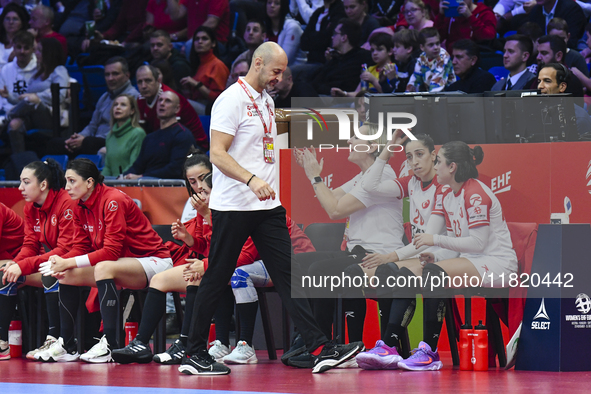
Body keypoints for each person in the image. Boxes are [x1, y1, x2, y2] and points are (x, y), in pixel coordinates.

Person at [179, 41, 364, 376]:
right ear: (258, 62)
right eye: (276, 71)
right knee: (218, 275)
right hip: (234, 206)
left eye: (282, 73)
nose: (279, 78)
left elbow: (264, 150)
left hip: (267, 206)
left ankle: (320, 348)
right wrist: (250, 180)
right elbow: (218, 154)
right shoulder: (230, 100)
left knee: (290, 275)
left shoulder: (266, 100)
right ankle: (193, 351)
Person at [36, 158, 173, 363]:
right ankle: (67, 344)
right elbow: (81, 246)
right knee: (63, 274)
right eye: (66, 181)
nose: (67, 187)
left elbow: (110, 252)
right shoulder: (78, 205)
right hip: (122, 263)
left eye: (72, 181)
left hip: (153, 260)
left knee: (102, 267)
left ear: (89, 182)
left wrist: (70, 261)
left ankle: (110, 343)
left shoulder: (113, 200)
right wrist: (62, 261)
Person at [397, 141, 517, 371]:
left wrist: (436, 241)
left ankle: (428, 352)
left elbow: (478, 244)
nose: (435, 164)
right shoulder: (448, 193)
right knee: (409, 272)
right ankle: (392, 347)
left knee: (433, 274)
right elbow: (456, 244)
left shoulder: (475, 193)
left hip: (497, 263)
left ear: (452, 167)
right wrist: (437, 254)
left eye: (438, 161)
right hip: (472, 260)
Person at [292, 123, 405, 360]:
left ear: (373, 146)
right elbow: (329, 198)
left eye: (356, 137)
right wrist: (311, 174)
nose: (350, 141)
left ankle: (323, 344)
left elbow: (334, 210)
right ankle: (307, 337)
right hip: (356, 251)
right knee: (296, 263)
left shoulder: (381, 176)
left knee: (319, 270)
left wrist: (315, 176)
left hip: (376, 255)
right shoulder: (363, 176)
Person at [353, 133, 448, 370]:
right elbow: (369, 186)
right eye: (409, 156)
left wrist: (391, 255)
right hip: (422, 253)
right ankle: (390, 347)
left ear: (433, 155)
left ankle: (429, 351)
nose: (414, 161)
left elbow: (429, 240)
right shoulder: (411, 183)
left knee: (399, 270)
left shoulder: (444, 185)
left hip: (446, 253)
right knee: (386, 271)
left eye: (420, 154)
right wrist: (389, 148)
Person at [0, 159, 89, 361]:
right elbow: (30, 244)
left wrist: (22, 265)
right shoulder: (31, 208)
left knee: (51, 273)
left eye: (25, 182)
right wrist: (16, 264)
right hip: (59, 261)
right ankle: (2, 343)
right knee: (4, 274)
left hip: (79, 261)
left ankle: (57, 340)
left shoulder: (67, 203)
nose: (20, 187)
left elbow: (65, 248)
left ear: (43, 185)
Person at [48, 56, 139, 157]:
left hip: (113, 140)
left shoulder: (133, 97)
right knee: (55, 143)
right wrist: (78, 137)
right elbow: (92, 125)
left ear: (127, 75)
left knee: (89, 143)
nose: (110, 78)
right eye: (107, 74)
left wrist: (84, 140)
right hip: (93, 140)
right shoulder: (104, 97)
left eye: (115, 74)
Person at [6, 37, 68, 155]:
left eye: (39, 50)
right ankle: (20, 163)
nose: (36, 53)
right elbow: (23, 98)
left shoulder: (59, 70)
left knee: (32, 100)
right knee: (14, 125)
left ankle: (5, 119)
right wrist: (8, 96)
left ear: (48, 53)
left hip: (49, 116)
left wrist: (35, 96)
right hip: (30, 114)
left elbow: (59, 96)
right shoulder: (36, 74)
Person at [123, 91, 195, 180]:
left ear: (177, 109)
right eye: (160, 100)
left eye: (167, 101)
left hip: (170, 188)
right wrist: (123, 176)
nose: (162, 104)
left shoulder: (183, 135)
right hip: (145, 186)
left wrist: (143, 177)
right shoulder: (149, 137)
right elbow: (138, 166)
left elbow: (175, 169)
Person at [136, 65, 208, 150]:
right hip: (165, 142)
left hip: (194, 146)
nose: (143, 86)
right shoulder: (140, 99)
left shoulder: (171, 98)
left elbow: (173, 133)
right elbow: (142, 129)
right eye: (140, 82)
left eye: (148, 81)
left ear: (158, 80)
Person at [310, 18, 372, 95]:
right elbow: (316, 82)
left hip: (340, 99)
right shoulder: (335, 59)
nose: (332, 37)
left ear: (344, 38)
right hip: (322, 95)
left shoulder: (364, 57)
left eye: (335, 33)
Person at [181, 26, 229, 115]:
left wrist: (196, 84)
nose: (200, 42)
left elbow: (219, 98)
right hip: (198, 104)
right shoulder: (198, 64)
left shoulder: (218, 65)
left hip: (212, 110)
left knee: (180, 103)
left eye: (204, 39)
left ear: (213, 43)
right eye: (197, 39)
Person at [538, 63, 591, 136]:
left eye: (547, 81)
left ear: (562, 87)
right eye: (539, 81)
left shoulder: (578, 119)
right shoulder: (535, 114)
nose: (540, 86)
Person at [0, 202, 24, 360]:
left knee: (2, 274)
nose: (21, 188)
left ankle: (2, 344)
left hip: (22, 262)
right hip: (6, 260)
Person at [101, 94, 146, 177]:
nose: (118, 107)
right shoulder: (110, 136)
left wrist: (119, 180)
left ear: (132, 111)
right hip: (113, 185)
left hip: (128, 184)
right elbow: (107, 167)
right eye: (115, 104)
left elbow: (134, 165)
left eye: (123, 105)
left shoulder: (138, 133)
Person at [406, 27, 456, 92]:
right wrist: (408, 95)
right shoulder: (422, 58)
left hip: (449, 94)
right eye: (431, 45)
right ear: (422, 47)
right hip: (432, 94)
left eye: (437, 43)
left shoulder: (443, 57)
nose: (436, 47)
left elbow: (437, 85)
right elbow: (415, 79)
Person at [0, 31, 37, 114]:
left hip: (33, 112)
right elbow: (3, 99)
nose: (22, 51)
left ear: (33, 49)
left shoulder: (39, 68)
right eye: (19, 47)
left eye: (26, 48)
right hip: (9, 111)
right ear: (13, 48)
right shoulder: (6, 69)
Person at [300, 0, 347, 64]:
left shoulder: (340, 11)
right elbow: (303, 42)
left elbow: (328, 39)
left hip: (325, 62)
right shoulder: (318, 13)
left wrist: (312, 37)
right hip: (311, 60)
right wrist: (321, 36)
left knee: (292, 71)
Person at [266, 0, 306, 66]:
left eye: (276, 3)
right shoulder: (266, 26)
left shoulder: (292, 27)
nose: (272, 6)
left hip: (294, 70)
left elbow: (284, 60)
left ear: (283, 6)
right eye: (269, 3)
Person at [0, 3, 29, 69]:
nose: (11, 22)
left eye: (15, 19)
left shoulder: (26, 44)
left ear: (22, 23)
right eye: (7, 19)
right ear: (2, 22)